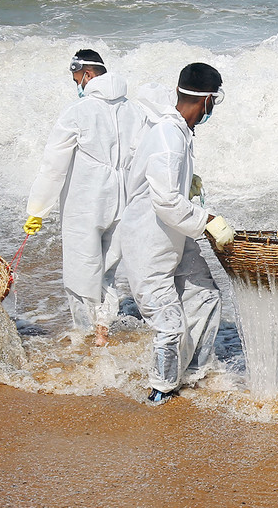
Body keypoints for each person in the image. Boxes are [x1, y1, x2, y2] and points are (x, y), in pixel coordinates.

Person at [118, 62, 235, 404]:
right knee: (168, 323)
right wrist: (208, 220)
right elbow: (166, 202)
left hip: (175, 236)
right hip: (148, 240)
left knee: (206, 296)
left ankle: (194, 371)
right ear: (208, 100)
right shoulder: (169, 137)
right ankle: (161, 390)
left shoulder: (178, 130)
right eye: (214, 102)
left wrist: (189, 181)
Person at [23, 49, 147, 347]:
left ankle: (86, 333)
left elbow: (54, 165)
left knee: (81, 270)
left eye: (76, 77)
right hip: (125, 198)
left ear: (87, 74)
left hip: (86, 201)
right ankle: (104, 326)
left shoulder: (77, 111)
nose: (76, 83)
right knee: (107, 269)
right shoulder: (137, 110)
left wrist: (38, 209)